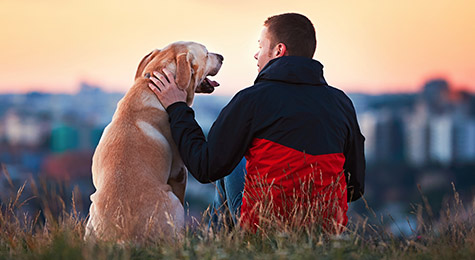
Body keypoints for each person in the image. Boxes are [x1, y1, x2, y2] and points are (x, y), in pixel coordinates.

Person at [148, 13, 365, 233]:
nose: (256, 54)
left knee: (229, 162)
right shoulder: (341, 103)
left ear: (278, 51)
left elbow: (204, 167)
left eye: (261, 46)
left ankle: (217, 246)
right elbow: (355, 187)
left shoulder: (252, 100)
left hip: (265, 228)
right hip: (326, 231)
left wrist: (177, 107)